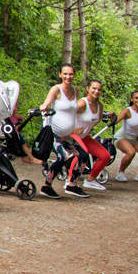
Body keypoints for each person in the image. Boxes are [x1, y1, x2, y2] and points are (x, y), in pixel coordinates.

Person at [38, 63, 90, 198]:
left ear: (74, 75)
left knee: (84, 156)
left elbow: (73, 110)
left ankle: (72, 185)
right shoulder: (56, 89)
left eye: (71, 74)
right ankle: (46, 186)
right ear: (60, 75)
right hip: (53, 132)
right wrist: (43, 108)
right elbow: (46, 104)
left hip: (66, 134)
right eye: (65, 74)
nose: (68, 76)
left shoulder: (76, 90)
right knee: (63, 156)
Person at [70, 80, 112, 191]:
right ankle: (70, 182)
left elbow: (96, 120)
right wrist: (71, 129)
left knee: (105, 156)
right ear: (88, 88)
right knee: (81, 155)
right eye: (94, 88)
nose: (96, 91)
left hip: (84, 136)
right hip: (71, 135)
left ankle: (90, 181)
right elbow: (67, 114)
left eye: (99, 89)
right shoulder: (83, 103)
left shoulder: (100, 106)